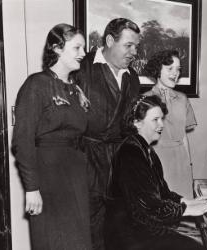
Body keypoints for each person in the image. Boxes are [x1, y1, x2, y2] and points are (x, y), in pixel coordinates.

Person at [12, 23, 91, 250]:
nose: (83, 54)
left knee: (78, 242)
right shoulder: (36, 84)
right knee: (54, 240)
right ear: (57, 48)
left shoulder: (75, 89)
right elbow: (22, 141)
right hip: (48, 177)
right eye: (77, 48)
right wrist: (32, 188)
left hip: (75, 174)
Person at [104, 95, 207, 250]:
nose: (161, 124)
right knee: (197, 247)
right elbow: (146, 207)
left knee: (199, 242)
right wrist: (187, 210)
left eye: (162, 119)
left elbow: (163, 193)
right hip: (128, 235)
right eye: (155, 119)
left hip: (141, 227)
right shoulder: (130, 153)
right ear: (136, 123)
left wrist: (189, 202)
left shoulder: (146, 149)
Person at [75, 18, 141, 250]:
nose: (134, 52)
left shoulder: (132, 77)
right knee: (88, 226)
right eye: (129, 45)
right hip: (85, 160)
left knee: (117, 225)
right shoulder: (81, 67)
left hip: (118, 160)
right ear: (110, 41)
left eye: (136, 47)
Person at [143, 50, 197, 198]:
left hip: (181, 163)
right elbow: (141, 140)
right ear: (157, 70)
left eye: (178, 69)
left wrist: (189, 166)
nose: (175, 73)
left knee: (184, 210)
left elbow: (184, 136)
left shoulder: (182, 99)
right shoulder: (145, 99)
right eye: (170, 69)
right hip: (156, 162)